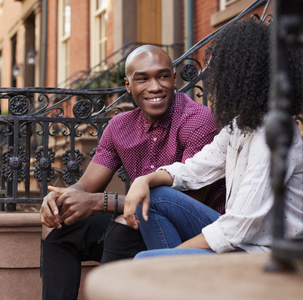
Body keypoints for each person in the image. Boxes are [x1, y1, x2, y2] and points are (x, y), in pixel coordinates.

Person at [40, 44, 226, 299]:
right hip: (140, 219)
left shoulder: (197, 120)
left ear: (173, 77)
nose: (154, 87)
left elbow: (183, 203)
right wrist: (58, 199)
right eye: (142, 79)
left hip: (193, 231)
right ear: (128, 85)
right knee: (62, 231)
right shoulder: (120, 126)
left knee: (122, 230)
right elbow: (86, 186)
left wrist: (99, 202)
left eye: (162, 76)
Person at [123, 20, 303, 258]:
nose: (219, 78)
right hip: (242, 242)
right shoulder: (240, 126)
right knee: (153, 195)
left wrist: (168, 259)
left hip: (265, 254)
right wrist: (143, 181)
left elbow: (236, 228)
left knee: (143, 262)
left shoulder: (274, 134)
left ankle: (171, 279)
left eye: (225, 70)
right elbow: (194, 170)